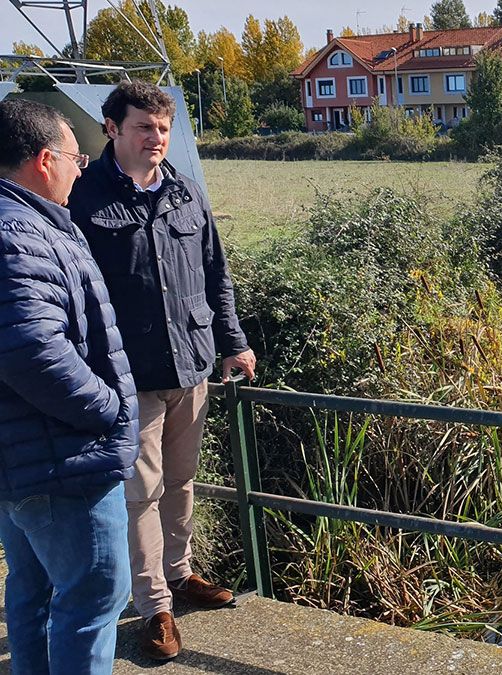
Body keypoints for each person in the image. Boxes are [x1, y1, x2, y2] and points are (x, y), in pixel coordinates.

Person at [68, 80, 256, 661]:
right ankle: (155, 608)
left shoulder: (186, 192)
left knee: (181, 479)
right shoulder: (84, 198)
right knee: (140, 491)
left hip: (192, 363)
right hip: (129, 373)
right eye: (144, 127)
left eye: (164, 129)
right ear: (112, 129)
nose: (157, 139)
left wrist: (233, 342)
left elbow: (213, 273)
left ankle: (180, 575)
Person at [0, 98, 140, 673]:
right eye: (75, 156)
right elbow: (29, 348)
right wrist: (107, 409)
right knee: (90, 602)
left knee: (33, 598)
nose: (81, 168)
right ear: (42, 159)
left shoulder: (24, 223)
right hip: (65, 462)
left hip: (27, 458)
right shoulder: (19, 233)